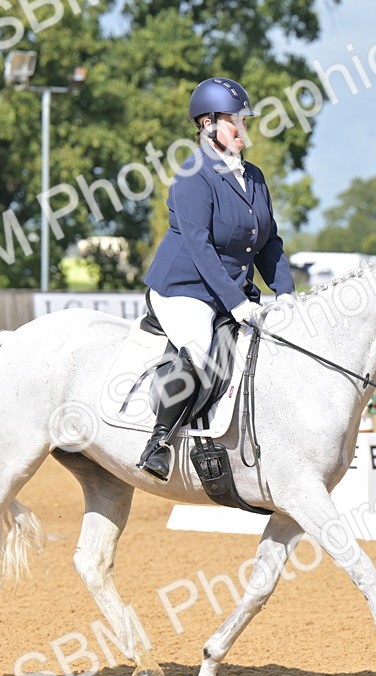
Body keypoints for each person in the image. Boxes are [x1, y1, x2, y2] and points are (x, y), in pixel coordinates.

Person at [137, 77, 295, 481]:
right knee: (200, 347)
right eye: (235, 121)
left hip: (231, 290)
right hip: (184, 288)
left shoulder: (254, 177)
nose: (243, 128)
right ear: (207, 124)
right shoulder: (193, 174)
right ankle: (159, 442)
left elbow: (268, 241)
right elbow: (199, 246)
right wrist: (237, 302)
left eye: (245, 121)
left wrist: (287, 294)